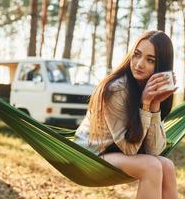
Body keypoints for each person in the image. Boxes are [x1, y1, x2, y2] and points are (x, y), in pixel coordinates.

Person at [74, 31, 178, 199]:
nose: (139, 64)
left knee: (166, 165)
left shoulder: (149, 89)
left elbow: (155, 150)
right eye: (136, 55)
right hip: (90, 154)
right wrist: (145, 104)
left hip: (114, 152)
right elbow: (130, 150)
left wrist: (155, 104)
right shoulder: (117, 89)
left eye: (150, 60)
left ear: (161, 67)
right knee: (152, 167)